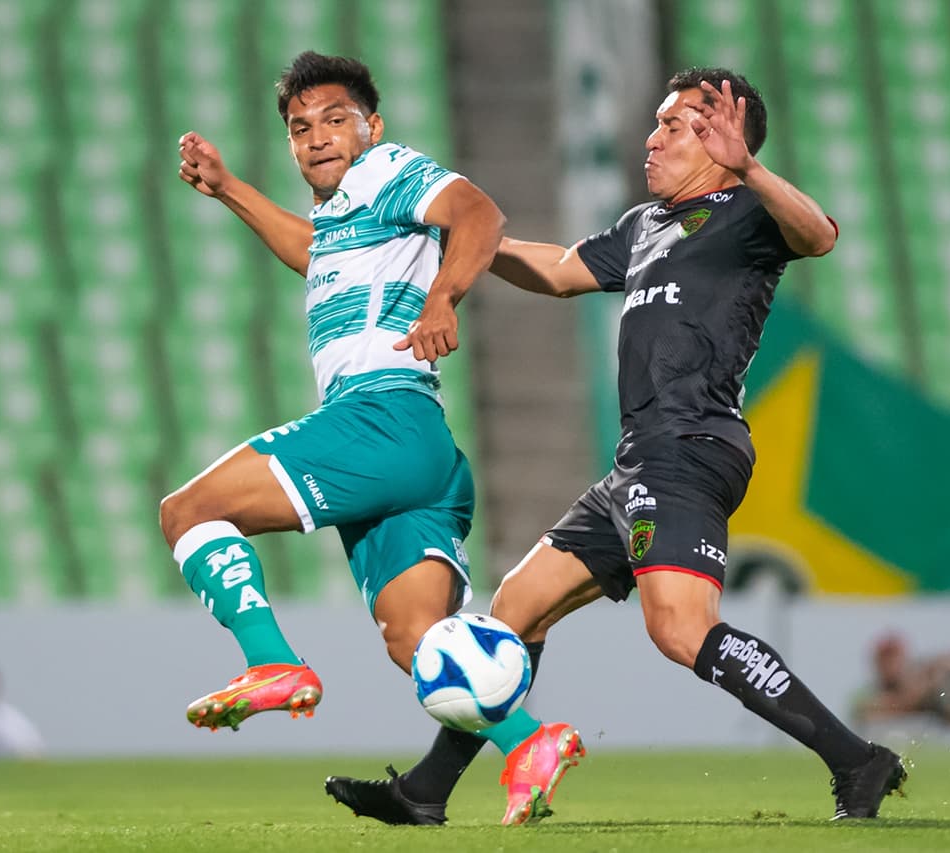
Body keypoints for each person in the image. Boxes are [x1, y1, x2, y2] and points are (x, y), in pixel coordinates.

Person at [325, 68, 906, 824]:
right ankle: (425, 792)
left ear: (720, 139)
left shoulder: (748, 209)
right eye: (657, 123)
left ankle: (857, 760)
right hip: (640, 457)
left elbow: (819, 235)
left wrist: (751, 168)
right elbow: (560, 270)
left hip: (690, 443)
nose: (652, 138)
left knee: (680, 628)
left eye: (674, 125)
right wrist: (467, 238)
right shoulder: (645, 225)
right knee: (516, 606)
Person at [162, 51, 582, 824]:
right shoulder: (344, 216)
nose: (317, 136)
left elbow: (480, 214)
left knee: (187, 511)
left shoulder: (388, 169)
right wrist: (228, 189)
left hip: (380, 416)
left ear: (372, 126)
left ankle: (273, 662)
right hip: (421, 449)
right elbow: (312, 253)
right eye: (300, 128)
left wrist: (444, 297)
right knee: (418, 643)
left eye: (335, 119)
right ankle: (529, 740)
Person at [854, 632, 950, 729]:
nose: (889, 665)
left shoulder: (923, 674)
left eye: (893, 658)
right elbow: (865, 713)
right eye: (884, 660)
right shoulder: (868, 693)